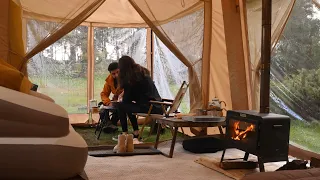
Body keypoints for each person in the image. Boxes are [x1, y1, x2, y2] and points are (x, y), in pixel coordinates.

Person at [116, 56, 163, 139]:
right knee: (128, 106)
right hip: (158, 106)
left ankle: (125, 134)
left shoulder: (131, 78)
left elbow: (127, 99)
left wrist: (122, 96)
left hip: (149, 107)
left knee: (121, 106)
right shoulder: (142, 73)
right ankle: (136, 132)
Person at [100, 62, 123, 133]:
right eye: (113, 74)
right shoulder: (109, 80)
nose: (116, 75)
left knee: (120, 107)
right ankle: (108, 124)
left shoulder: (126, 78)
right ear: (110, 73)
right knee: (101, 105)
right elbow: (103, 94)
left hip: (124, 101)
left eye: (117, 72)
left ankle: (111, 124)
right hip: (116, 102)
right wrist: (108, 102)